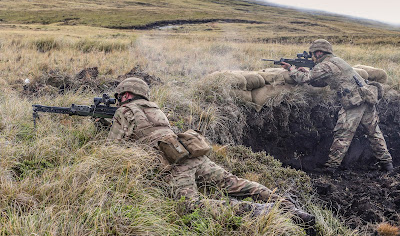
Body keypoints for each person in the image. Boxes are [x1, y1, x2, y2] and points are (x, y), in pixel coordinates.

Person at [107, 77, 315, 224]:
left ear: (126, 94)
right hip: (192, 153)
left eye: (119, 96)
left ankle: (262, 211)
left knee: (189, 206)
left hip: (175, 164)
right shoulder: (155, 108)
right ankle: (288, 206)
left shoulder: (124, 110)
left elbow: (113, 148)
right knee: (234, 183)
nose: (118, 100)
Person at [280, 39, 393, 173]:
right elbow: (323, 82)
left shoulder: (325, 65)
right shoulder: (336, 61)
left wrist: (291, 70)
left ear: (319, 52)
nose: (311, 57)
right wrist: (307, 72)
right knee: (374, 132)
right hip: (366, 97)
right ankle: (387, 164)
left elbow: (304, 78)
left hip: (354, 101)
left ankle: (331, 167)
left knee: (343, 134)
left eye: (312, 54)